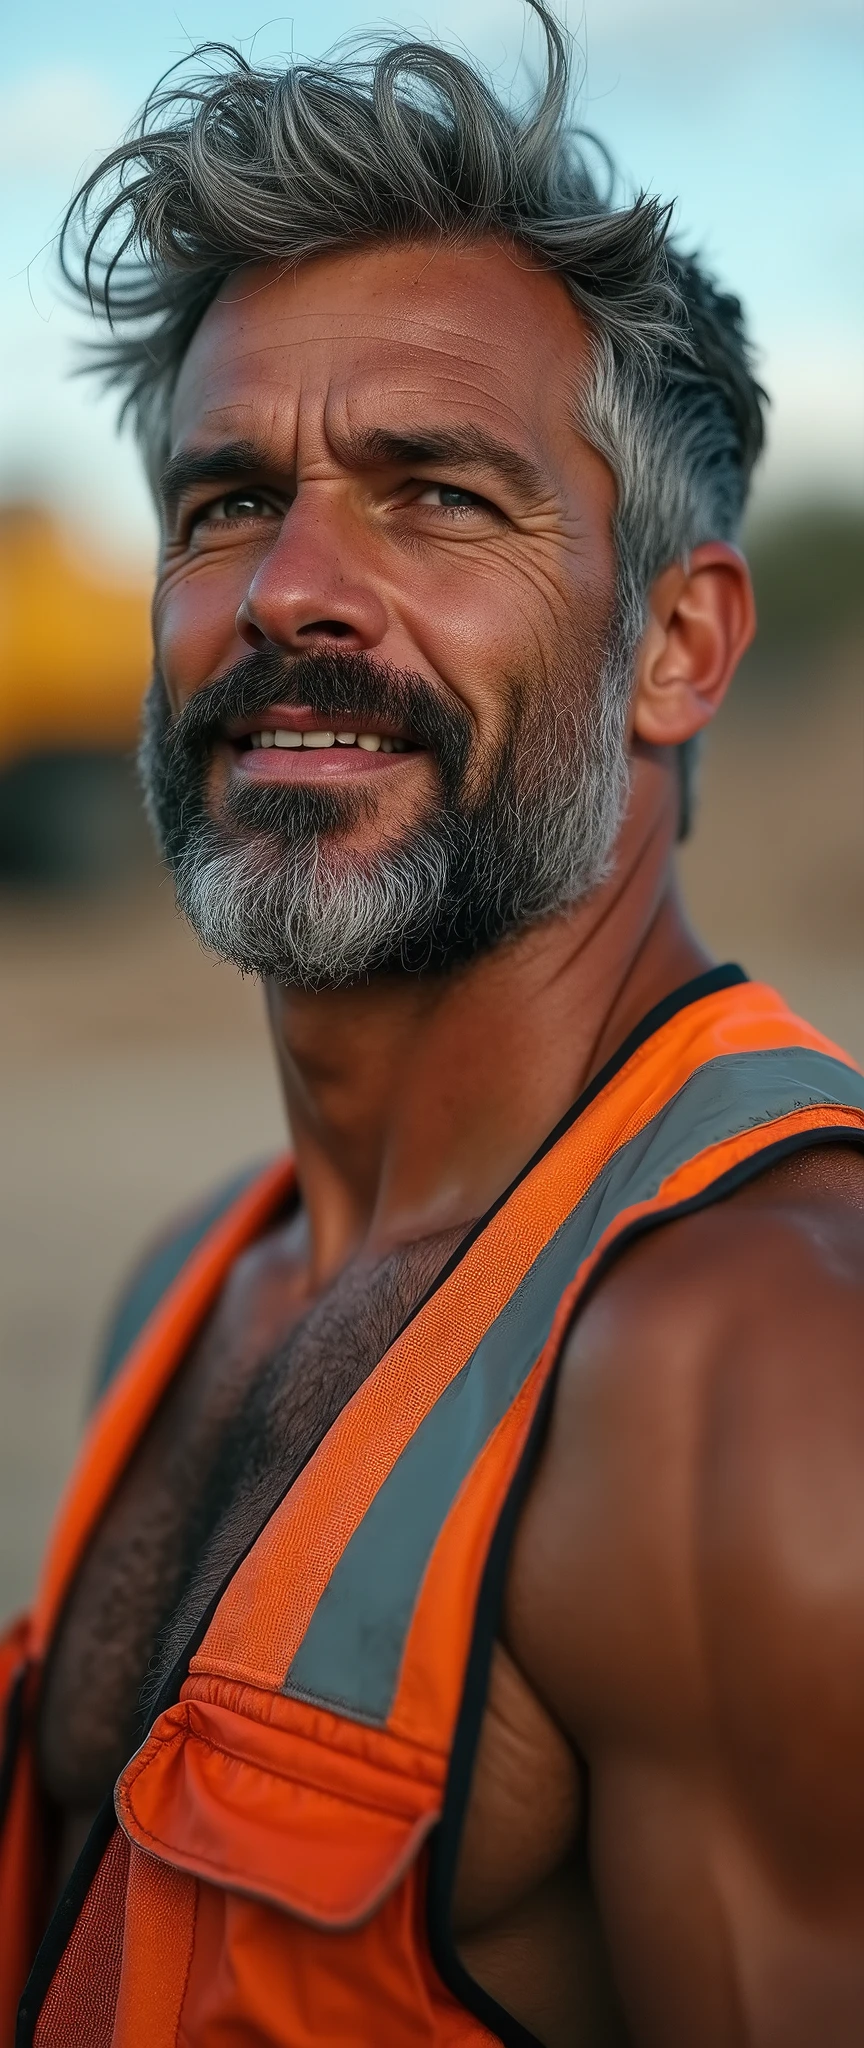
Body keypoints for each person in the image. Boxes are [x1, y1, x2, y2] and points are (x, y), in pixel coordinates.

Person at [3, 8, 863, 2043]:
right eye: (222, 506)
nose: (293, 588)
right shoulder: (192, 1287)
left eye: (436, 498)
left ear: (675, 645)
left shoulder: (756, 1389)